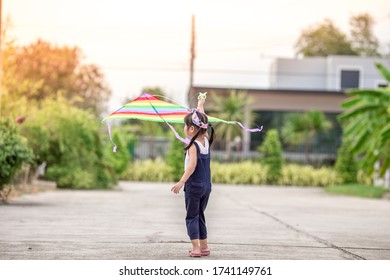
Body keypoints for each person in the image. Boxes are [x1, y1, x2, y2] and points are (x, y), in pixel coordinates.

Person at [171, 93, 215, 257]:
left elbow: (192, 165)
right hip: (206, 187)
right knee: (200, 215)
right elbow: (203, 121)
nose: (184, 128)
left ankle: (196, 248)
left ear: (191, 129)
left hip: (194, 186)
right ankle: (204, 247)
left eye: (185, 126)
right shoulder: (206, 141)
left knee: (191, 216)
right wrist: (200, 104)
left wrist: (181, 182)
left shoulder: (192, 145)